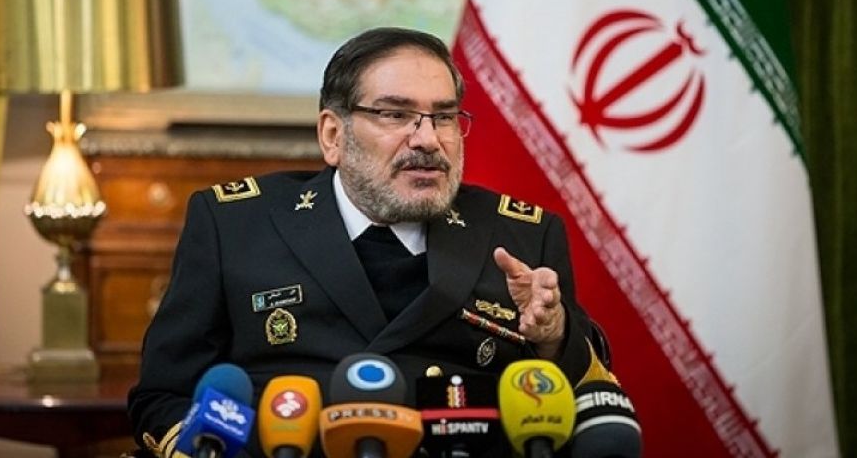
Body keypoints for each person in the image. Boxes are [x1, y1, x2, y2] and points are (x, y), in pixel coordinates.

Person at [129, 27, 609, 457]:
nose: (428, 139)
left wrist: (553, 336)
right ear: (332, 135)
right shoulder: (235, 225)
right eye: (395, 114)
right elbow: (165, 396)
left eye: (444, 117)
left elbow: (585, 405)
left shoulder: (522, 236)